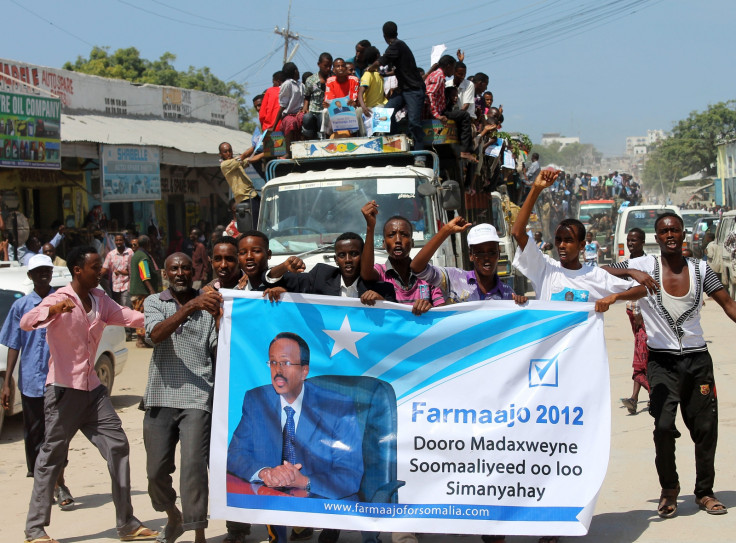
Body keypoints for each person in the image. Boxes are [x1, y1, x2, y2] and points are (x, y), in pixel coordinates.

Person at [511, 169, 647, 543]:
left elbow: (644, 289)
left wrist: (613, 297)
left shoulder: (595, 276)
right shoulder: (546, 271)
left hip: (577, 380)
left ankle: (559, 515)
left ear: (583, 244)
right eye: (558, 240)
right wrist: (536, 190)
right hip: (540, 375)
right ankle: (534, 511)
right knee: (535, 445)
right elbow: (518, 233)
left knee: (567, 449)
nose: (562, 246)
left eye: (569, 240)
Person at [19, 246, 158, 543]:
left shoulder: (100, 299)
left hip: (93, 391)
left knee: (118, 446)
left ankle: (127, 524)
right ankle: (34, 529)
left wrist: (160, 314)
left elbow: (129, 317)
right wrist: (52, 311)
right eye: (96, 266)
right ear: (78, 270)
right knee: (51, 457)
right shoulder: (60, 298)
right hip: (63, 392)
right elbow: (27, 321)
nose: (101, 271)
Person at [605, 212, 736, 518]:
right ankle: (669, 490)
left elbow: (728, 304)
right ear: (657, 237)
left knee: (705, 429)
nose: (670, 236)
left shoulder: (702, 270)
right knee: (663, 427)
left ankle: (704, 492)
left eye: (674, 230)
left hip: (697, 360)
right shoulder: (644, 265)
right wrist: (633, 275)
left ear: (683, 233)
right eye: (664, 232)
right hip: (661, 362)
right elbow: (602, 270)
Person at [227, 332, 363, 543]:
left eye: (286, 363)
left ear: (304, 371)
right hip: (273, 492)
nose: (278, 371)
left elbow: (350, 473)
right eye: (273, 363)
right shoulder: (256, 400)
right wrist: (265, 472)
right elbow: (235, 454)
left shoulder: (337, 406)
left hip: (319, 490)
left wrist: (305, 481)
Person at [143, 253, 221, 543]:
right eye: (174, 268)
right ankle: (172, 515)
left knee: (193, 468)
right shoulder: (154, 302)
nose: (180, 273)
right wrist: (190, 307)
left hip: (197, 397)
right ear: (166, 273)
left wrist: (216, 317)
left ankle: (198, 532)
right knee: (155, 473)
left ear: (194, 272)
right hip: (160, 395)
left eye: (185, 268)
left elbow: (217, 350)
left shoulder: (209, 305)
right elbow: (154, 335)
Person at [0, 255, 74, 511]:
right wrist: (7, 381)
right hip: (31, 381)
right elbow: (13, 344)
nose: (43, 275)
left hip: (59, 380)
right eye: (38, 271)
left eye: (47, 270)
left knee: (58, 435)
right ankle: (41, 481)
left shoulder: (65, 302)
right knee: (34, 434)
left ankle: (59, 482)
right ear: (30, 276)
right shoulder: (21, 307)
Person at [411, 219, 526, 304]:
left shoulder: (508, 294)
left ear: (498, 254)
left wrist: (522, 305)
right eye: (480, 253)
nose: (486, 258)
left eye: (491, 252)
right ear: (471, 255)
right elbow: (417, 267)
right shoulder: (453, 278)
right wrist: (445, 231)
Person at [360, 201, 444, 314]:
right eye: (391, 235)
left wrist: (429, 308)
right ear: (384, 244)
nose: (398, 240)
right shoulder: (380, 272)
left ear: (412, 242)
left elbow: (443, 312)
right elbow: (366, 272)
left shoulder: (427, 274)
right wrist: (370, 226)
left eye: (404, 235)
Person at [267, 232, 396, 304]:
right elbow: (272, 278)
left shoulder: (382, 289)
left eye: (354, 254)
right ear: (335, 260)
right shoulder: (320, 276)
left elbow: (395, 320)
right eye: (341, 255)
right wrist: (284, 268)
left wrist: (381, 303)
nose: (348, 260)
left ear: (363, 257)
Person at [367, 22, 426, 166]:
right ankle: (395, 143)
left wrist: (370, 68)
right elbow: (399, 69)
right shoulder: (400, 46)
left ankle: (420, 157)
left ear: (384, 35)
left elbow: (381, 61)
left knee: (414, 122)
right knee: (384, 112)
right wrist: (386, 73)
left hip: (414, 90)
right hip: (404, 90)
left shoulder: (395, 46)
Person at [616, 228, 649, 415]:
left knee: (642, 353)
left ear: (642, 242)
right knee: (642, 352)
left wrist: (643, 312)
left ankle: (638, 397)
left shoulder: (649, 263)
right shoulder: (625, 264)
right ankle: (636, 398)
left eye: (634, 240)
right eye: (628, 240)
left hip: (645, 315)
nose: (630, 243)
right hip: (632, 312)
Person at [218, 142, 261, 232]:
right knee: (255, 226)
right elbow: (244, 156)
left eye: (230, 150)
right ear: (220, 154)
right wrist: (256, 144)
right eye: (225, 152)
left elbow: (250, 160)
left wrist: (265, 153)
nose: (229, 153)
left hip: (251, 195)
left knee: (261, 220)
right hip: (245, 197)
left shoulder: (235, 162)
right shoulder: (225, 165)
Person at [129, 234, 160, 348]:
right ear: (147, 244)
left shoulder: (137, 254)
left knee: (139, 315)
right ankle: (142, 340)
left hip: (138, 291)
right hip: (142, 292)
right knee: (143, 315)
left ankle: (141, 340)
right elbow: (145, 275)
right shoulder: (142, 256)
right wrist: (151, 290)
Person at [268, 62, 304, 159]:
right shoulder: (287, 85)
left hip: (299, 112)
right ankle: (288, 151)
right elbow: (282, 105)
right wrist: (274, 125)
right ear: (295, 71)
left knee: (304, 119)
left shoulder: (301, 85)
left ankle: (304, 148)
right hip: (288, 114)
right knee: (290, 122)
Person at [302, 53, 333, 139]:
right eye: (325, 66)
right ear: (319, 64)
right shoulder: (311, 80)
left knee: (323, 118)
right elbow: (307, 96)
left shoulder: (333, 78)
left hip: (327, 111)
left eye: (330, 66)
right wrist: (305, 107)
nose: (328, 68)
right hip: (314, 110)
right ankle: (308, 138)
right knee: (307, 118)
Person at [101, 233, 134, 308]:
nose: (118, 242)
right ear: (115, 242)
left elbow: (132, 269)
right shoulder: (111, 254)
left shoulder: (130, 252)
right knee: (117, 307)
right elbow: (105, 268)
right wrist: (98, 276)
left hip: (127, 285)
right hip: (115, 286)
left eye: (120, 240)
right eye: (117, 240)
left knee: (126, 306)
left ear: (124, 241)